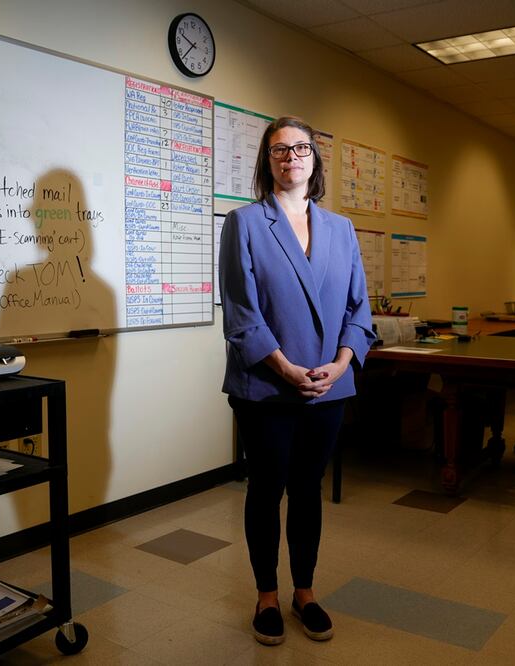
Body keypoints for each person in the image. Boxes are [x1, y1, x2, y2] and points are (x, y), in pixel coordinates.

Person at [218, 116, 375, 646]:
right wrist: (285, 368)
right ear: (268, 162)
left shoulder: (341, 229)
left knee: (308, 491)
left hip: (330, 386)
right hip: (266, 386)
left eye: (300, 148)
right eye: (279, 150)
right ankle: (266, 594)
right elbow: (242, 314)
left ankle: (303, 592)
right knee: (267, 490)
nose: (291, 157)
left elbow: (360, 309)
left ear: (315, 158)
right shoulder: (244, 223)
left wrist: (342, 361)